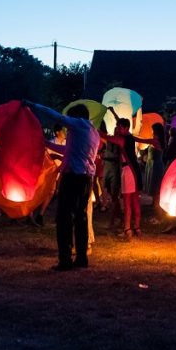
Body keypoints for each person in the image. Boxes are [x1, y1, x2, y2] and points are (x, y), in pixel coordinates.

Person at [25, 101, 100, 271]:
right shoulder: (92, 132)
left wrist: (34, 105)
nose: (67, 124)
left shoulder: (79, 125)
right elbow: (68, 150)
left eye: (70, 119)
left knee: (64, 218)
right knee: (80, 218)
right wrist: (46, 143)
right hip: (86, 178)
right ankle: (81, 258)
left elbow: (56, 115)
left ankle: (65, 259)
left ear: (77, 117)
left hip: (73, 177)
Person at [104, 116, 157, 239]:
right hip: (134, 170)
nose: (118, 129)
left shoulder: (123, 139)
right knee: (134, 200)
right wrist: (150, 141)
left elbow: (108, 137)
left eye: (120, 127)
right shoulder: (129, 137)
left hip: (128, 170)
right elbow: (138, 138)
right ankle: (137, 227)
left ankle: (127, 229)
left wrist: (95, 131)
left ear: (126, 128)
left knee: (128, 202)